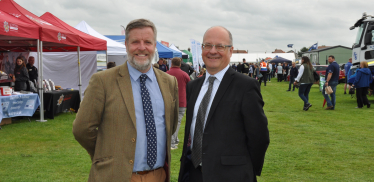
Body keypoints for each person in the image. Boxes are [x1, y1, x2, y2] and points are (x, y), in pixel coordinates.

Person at [72, 19, 179, 182]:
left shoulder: (169, 82)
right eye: (135, 41)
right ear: (126, 44)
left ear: (155, 46)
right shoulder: (103, 81)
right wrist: (106, 156)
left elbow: (169, 126)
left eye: (147, 42)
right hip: (116, 175)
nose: (142, 47)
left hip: (158, 176)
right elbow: (82, 129)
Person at [178, 26, 269, 182]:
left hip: (231, 176)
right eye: (208, 45)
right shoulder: (193, 86)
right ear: (202, 49)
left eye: (220, 46)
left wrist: (245, 169)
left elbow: (259, 137)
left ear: (231, 50)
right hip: (193, 174)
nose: (213, 51)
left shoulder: (246, 86)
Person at [167, 57, 190, 150]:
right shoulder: (185, 75)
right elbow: (189, 87)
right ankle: (172, 142)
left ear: (171, 63)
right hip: (181, 101)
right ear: (180, 64)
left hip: (169, 101)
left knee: (170, 122)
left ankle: (174, 140)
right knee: (177, 122)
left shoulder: (166, 74)